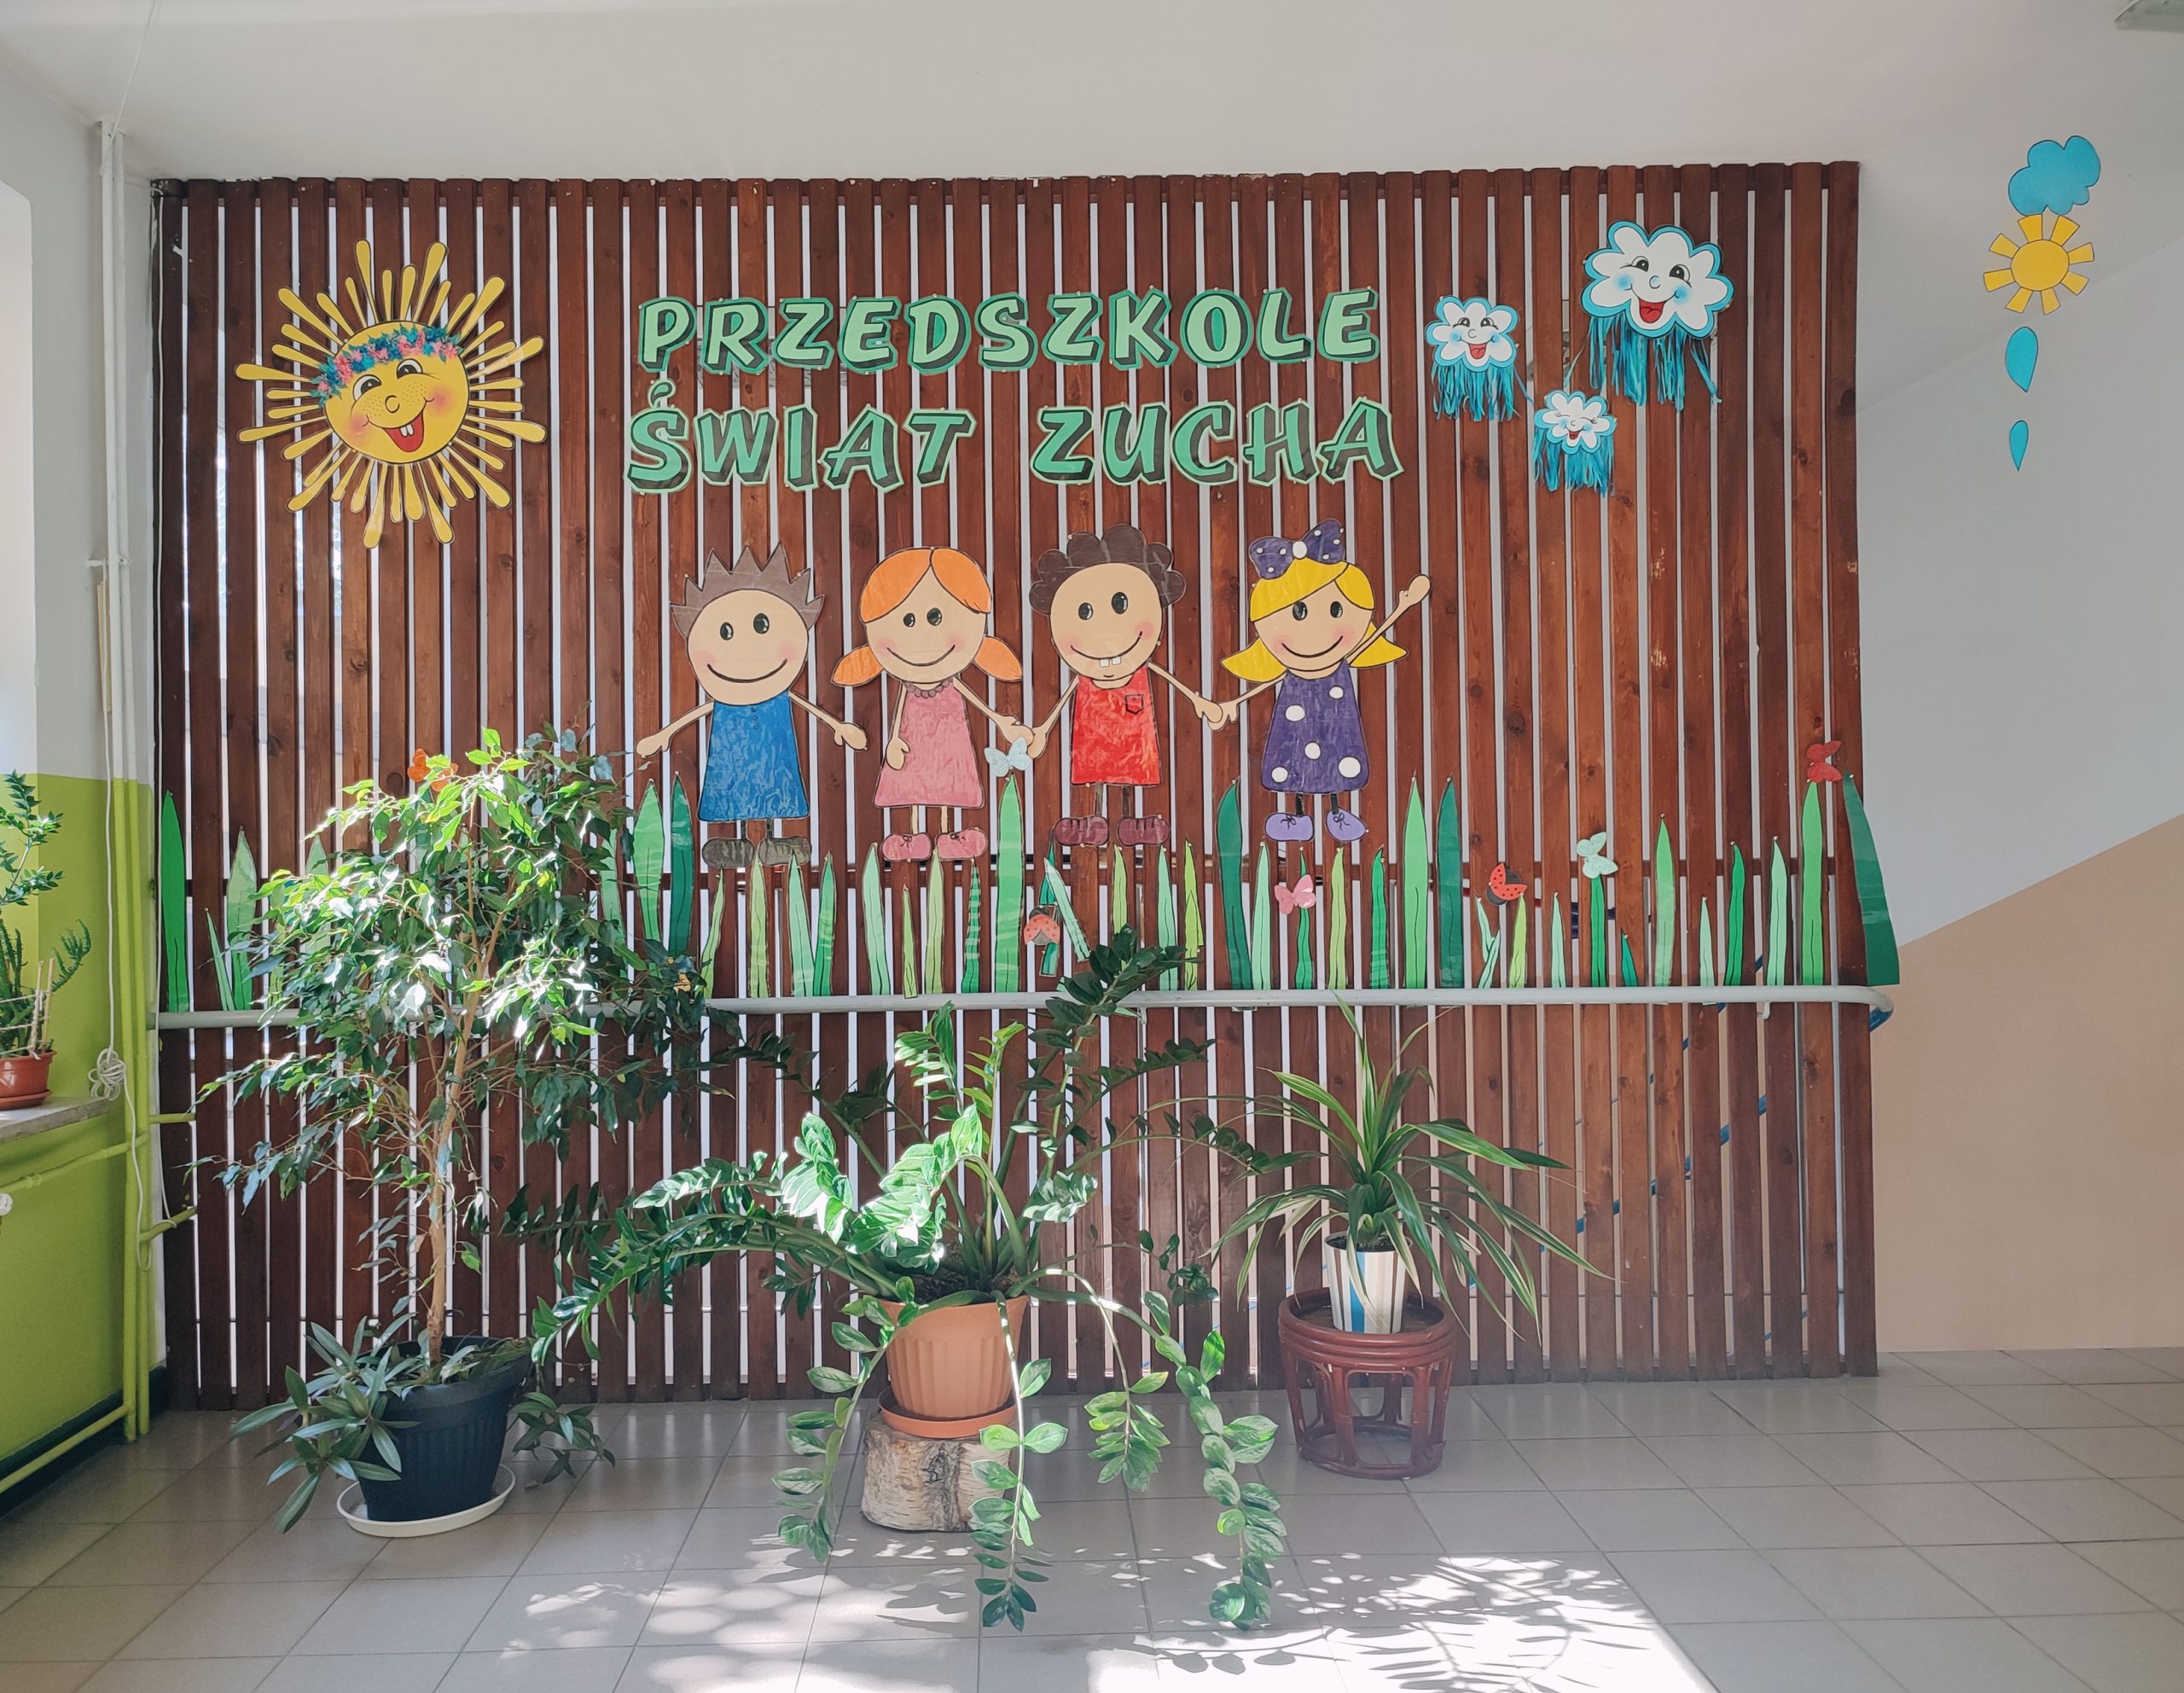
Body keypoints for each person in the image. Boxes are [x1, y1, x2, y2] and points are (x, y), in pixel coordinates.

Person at [638, 544, 863, 867]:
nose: (746, 647)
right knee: (733, 785)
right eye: (725, 632)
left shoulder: (779, 696)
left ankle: (773, 839)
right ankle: (737, 840)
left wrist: (839, 726)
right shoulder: (724, 701)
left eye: (762, 625)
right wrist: (664, 734)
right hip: (731, 750)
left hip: (775, 746)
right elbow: (698, 712)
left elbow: (806, 705)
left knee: (774, 784)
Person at [1215, 519, 1430, 843]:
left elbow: (1376, 637)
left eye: (1336, 609)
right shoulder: (1288, 671)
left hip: (1335, 702)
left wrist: (1405, 605)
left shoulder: (1345, 657)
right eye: (1298, 612)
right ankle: (1297, 814)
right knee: (1293, 754)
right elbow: (1261, 686)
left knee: (1336, 748)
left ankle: (1336, 810)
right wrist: (1231, 704)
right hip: (1295, 705)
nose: (1315, 631)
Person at [1024, 524, 1221, 846]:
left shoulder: (1140, 666)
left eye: (1120, 604)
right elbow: (1064, 700)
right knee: (1096, 767)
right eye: (1084, 611)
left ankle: (1131, 819)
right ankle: (1093, 817)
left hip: (1133, 715)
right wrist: (1043, 729)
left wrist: (1200, 702)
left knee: (1132, 764)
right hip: (1094, 721)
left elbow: (1171, 680)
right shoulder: (1084, 676)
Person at [832, 544, 1029, 861]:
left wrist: (1000, 719)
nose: (922, 633)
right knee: (914, 777)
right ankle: (912, 834)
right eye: (908, 619)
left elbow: (976, 700)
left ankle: (950, 833)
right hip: (912, 739)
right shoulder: (907, 688)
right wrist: (893, 742)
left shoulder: (951, 683)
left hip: (950, 732)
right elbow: (899, 715)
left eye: (935, 617)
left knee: (949, 775)